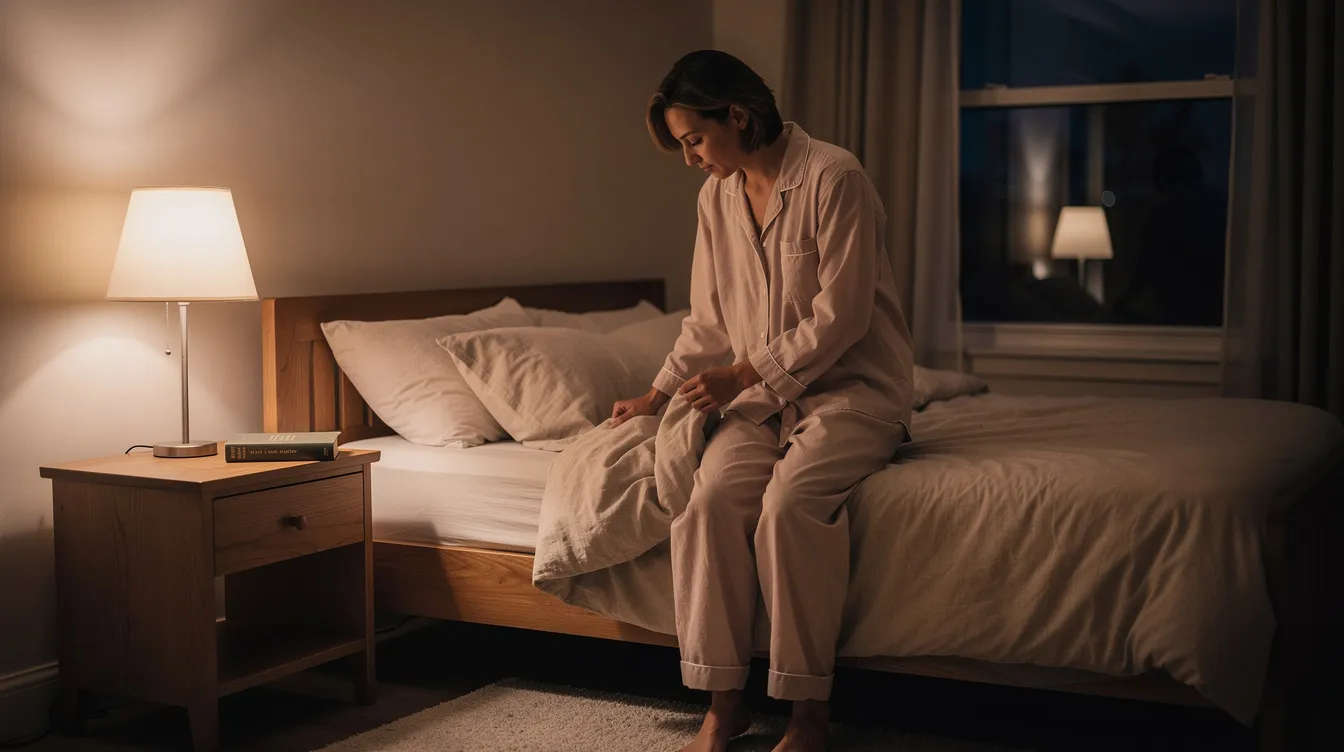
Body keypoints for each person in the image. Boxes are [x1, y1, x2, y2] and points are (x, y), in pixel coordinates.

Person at [610, 50, 915, 752]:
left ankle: (808, 715)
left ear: (737, 116)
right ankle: (724, 703)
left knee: (788, 509)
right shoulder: (715, 197)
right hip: (759, 401)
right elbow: (708, 318)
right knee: (709, 502)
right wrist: (655, 394)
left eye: (694, 140)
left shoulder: (835, 177)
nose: (690, 159)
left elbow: (841, 318)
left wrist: (744, 374)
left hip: (851, 393)